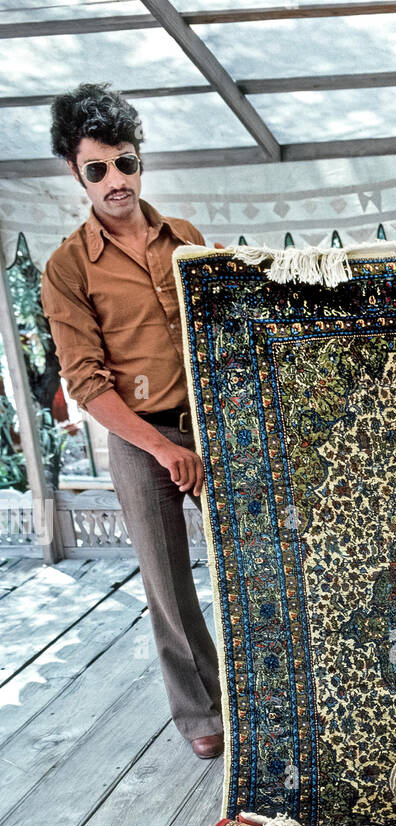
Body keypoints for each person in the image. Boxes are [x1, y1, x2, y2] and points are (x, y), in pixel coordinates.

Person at [41, 83, 224, 759]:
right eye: (98, 169)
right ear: (77, 173)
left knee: (249, 560)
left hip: (212, 427)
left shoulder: (188, 241)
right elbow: (86, 383)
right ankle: (200, 712)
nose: (116, 180)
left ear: (138, 160)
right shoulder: (66, 269)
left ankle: (266, 686)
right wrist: (160, 447)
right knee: (167, 581)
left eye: (125, 162)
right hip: (137, 435)